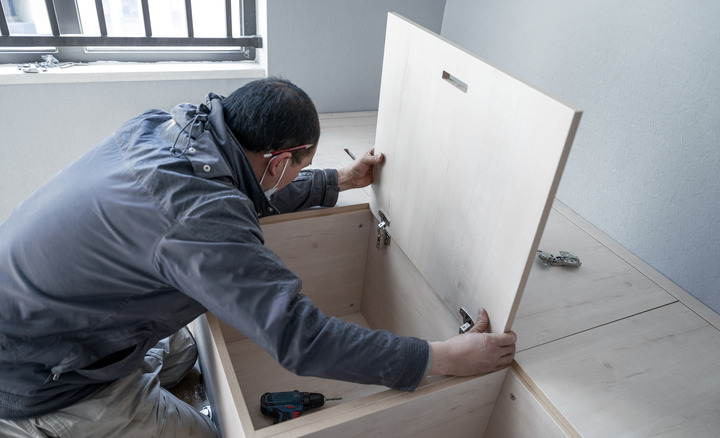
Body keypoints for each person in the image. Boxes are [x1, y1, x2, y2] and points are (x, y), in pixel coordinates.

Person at [0, 78, 516, 437]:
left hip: (44, 313)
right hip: (38, 382)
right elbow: (301, 339)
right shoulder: (201, 217)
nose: (293, 177)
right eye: (300, 167)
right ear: (279, 160)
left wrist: (335, 181)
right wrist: (442, 358)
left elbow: (238, 189)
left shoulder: (172, 128)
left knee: (185, 349)